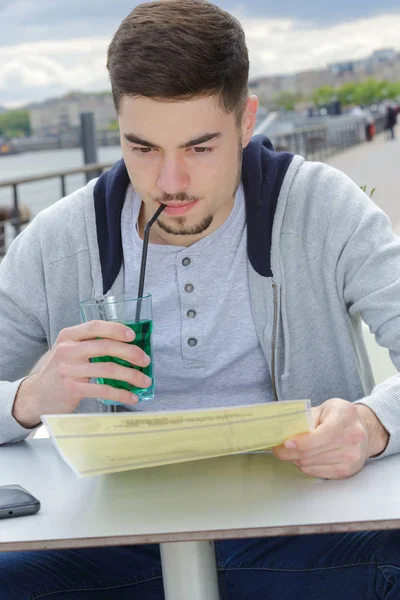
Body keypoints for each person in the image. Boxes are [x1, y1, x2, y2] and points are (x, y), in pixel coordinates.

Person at [1, 1, 400, 598]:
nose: (170, 182)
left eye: (200, 148)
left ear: (246, 122)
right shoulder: (59, 241)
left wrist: (374, 424)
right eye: (142, 148)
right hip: (106, 539)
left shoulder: (323, 209)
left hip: (305, 528)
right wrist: (29, 399)